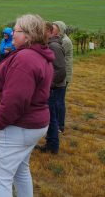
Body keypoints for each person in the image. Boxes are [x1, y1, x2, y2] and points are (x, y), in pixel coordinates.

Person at [0, 14, 54, 197]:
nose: (12, 34)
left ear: (27, 35)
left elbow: (16, 100)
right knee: (20, 170)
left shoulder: (25, 59)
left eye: (16, 30)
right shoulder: (39, 55)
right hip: (34, 123)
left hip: (17, 127)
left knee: (1, 177)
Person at [36, 22, 66, 155]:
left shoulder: (54, 46)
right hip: (54, 86)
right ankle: (51, 143)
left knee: (52, 116)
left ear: (49, 32)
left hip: (54, 87)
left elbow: (60, 70)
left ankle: (52, 145)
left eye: (42, 31)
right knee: (51, 116)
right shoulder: (51, 45)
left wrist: (49, 84)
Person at [52, 21, 73, 133]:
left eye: (54, 28)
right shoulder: (61, 39)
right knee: (57, 100)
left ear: (60, 29)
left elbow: (56, 55)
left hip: (63, 75)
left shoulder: (65, 41)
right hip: (62, 73)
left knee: (59, 101)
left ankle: (60, 125)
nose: (52, 29)